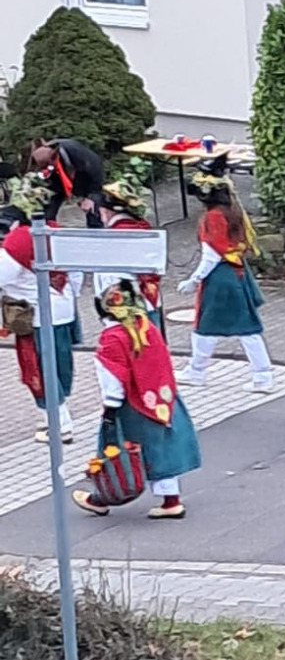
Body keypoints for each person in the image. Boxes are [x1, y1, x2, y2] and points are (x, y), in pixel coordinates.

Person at [72, 278, 201, 521]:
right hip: (161, 399)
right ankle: (170, 500)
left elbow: (112, 376)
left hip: (132, 405)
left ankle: (102, 498)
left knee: (118, 450)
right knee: (160, 449)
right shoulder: (145, 326)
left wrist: (110, 408)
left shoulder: (112, 338)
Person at [0, 176, 81, 442]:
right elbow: (76, 271)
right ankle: (50, 420)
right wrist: (68, 295)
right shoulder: (56, 231)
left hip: (36, 316)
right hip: (64, 311)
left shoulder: (19, 240)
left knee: (40, 369)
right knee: (59, 366)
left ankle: (61, 424)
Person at [179, 172, 274, 392]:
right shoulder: (233, 210)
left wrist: (194, 279)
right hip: (237, 273)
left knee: (205, 326)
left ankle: (196, 371)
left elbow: (211, 255)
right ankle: (263, 375)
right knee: (247, 328)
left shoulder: (212, 217)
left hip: (220, 277)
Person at [93, 176, 166, 334]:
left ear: (107, 211)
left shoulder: (116, 236)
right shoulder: (141, 227)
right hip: (148, 298)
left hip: (128, 306)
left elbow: (110, 275)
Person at [29, 137, 107, 226]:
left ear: (55, 157)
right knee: (51, 205)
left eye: (48, 166)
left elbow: (96, 175)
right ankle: (47, 225)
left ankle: (95, 227)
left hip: (87, 178)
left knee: (91, 209)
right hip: (60, 181)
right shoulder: (43, 154)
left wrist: (91, 198)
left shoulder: (79, 155)